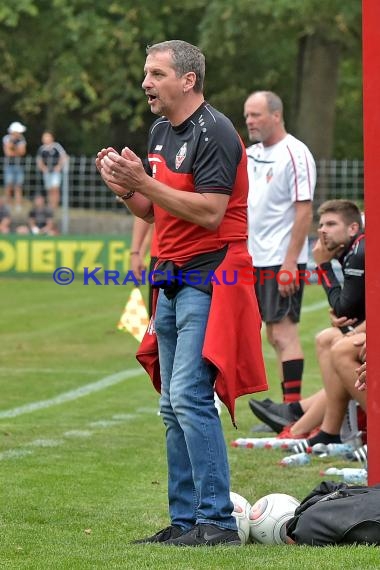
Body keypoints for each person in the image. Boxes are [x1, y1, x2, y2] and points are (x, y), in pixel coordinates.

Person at [96, 39, 267, 547]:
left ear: (187, 79)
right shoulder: (159, 130)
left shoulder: (215, 131)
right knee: (172, 405)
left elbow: (211, 212)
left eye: (155, 73)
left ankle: (216, 521)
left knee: (190, 399)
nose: (146, 82)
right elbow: (152, 213)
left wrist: (143, 185)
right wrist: (126, 186)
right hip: (169, 277)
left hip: (208, 278)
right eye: (145, 73)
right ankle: (187, 520)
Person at [250, 199, 365, 445]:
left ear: (353, 228)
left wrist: (323, 265)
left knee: (342, 347)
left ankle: (300, 421)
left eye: (331, 224)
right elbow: (347, 309)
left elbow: (344, 307)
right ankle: (318, 426)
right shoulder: (354, 252)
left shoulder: (359, 252)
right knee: (326, 338)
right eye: (321, 224)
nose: (322, 230)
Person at [244, 91, 316, 403]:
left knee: (284, 333)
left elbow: (304, 211)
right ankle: (287, 408)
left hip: (281, 260)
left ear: (276, 116)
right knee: (272, 335)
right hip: (253, 259)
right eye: (247, 115)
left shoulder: (296, 153)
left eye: (256, 115)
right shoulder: (249, 154)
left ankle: (292, 410)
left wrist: (290, 263)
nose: (250, 121)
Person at [36, 131, 67, 209]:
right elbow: (39, 161)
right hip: (47, 172)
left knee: (55, 189)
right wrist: (43, 168)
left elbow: (63, 156)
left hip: (55, 172)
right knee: (49, 189)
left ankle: (55, 206)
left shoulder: (56, 146)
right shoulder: (42, 149)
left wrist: (59, 166)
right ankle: (50, 206)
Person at [2, 121, 27, 211]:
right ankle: (8, 204)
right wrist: (15, 149)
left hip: (19, 165)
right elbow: (8, 153)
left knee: (18, 186)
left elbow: (22, 152)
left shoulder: (22, 139)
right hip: (9, 165)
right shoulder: (6, 138)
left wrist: (13, 148)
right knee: (8, 185)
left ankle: (18, 205)